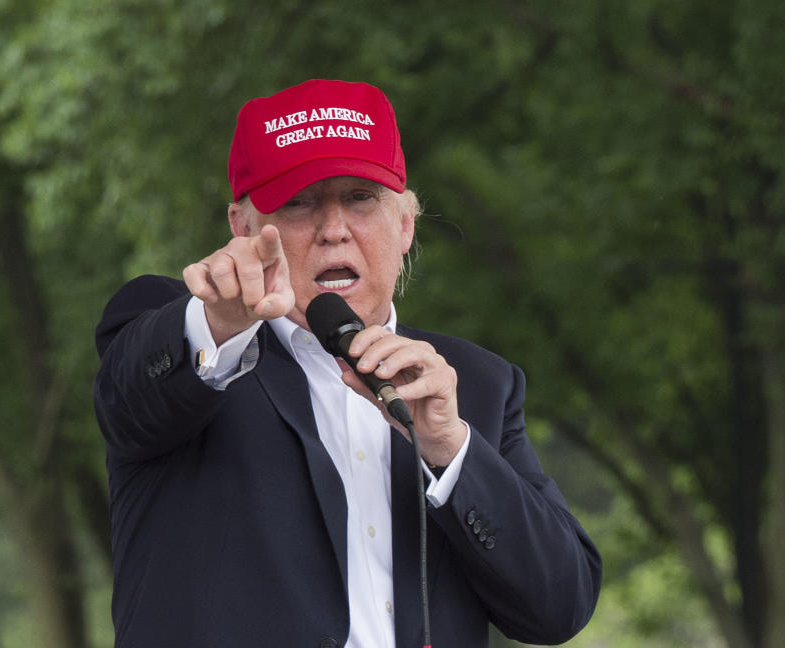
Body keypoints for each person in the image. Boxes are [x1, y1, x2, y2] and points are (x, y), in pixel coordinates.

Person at [94, 79, 601, 648]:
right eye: (298, 202)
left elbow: (561, 606)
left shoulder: (474, 383)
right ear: (241, 227)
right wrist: (218, 323)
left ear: (405, 225)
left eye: (361, 198)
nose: (334, 229)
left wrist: (449, 447)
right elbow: (127, 403)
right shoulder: (189, 340)